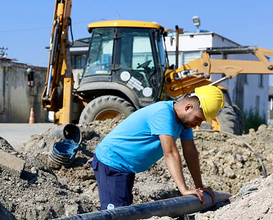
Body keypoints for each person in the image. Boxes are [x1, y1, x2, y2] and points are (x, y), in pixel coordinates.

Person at [91, 85, 225, 210]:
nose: (198, 125)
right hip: (112, 162)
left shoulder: (184, 123)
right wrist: (184, 190)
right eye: (199, 119)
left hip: (126, 167)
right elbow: (171, 153)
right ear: (188, 107)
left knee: (123, 209)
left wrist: (199, 187)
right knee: (115, 215)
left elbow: (190, 153)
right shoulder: (163, 113)